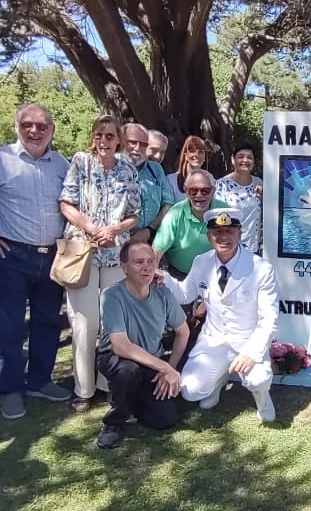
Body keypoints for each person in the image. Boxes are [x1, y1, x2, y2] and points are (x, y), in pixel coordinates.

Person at [0, 104, 72, 420]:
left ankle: (40, 380)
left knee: (48, 321)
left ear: (51, 130)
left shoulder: (61, 165)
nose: (35, 131)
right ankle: (11, 389)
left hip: (51, 256)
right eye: (27, 124)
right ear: (17, 126)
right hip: (9, 255)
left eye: (42, 126)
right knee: (9, 327)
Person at [58, 114, 142, 411]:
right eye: (99, 135)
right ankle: (83, 388)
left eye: (109, 136)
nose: (103, 141)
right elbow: (66, 203)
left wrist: (115, 229)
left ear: (118, 139)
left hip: (114, 252)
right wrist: (92, 229)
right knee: (84, 324)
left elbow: (134, 213)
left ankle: (109, 383)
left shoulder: (128, 169)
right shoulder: (81, 162)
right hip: (82, 251)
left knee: (112, 323)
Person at [164, 208, 279, 422]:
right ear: (209, 236)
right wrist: (163, 278)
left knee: (258, 380)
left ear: (240, 233)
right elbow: (184, 294)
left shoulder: (261, 269)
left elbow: (269, 319)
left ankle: (263, 399)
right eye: (217, 232)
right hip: (214, 342)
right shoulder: (202, 262)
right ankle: (218, 380)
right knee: (190, 391)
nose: (223, 237)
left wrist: (252, 353)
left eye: (229, 231)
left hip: (247, 341)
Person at [94, 241, 190, 449]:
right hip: (115, 357)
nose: (146, 267)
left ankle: (131, 399)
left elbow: (183, 331)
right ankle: (113, 423)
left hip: (150, 360)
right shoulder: (112, 296)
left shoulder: (162, 293)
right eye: (138, 262)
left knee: (165, 420)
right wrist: (164, 367)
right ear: (124, 267)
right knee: (127, 371)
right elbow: (120, 346)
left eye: (150, 261)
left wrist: (170, 367)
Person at [152, 169, 230, 277]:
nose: (199, 195)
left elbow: (236, 246)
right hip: (180, 276)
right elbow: (157, 250)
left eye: (205, 191)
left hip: (215, 277)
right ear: (186, 191)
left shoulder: (225, 211)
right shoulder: (175, 213)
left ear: (213, 191)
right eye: (193, 190)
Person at [123, 123, 174, 246]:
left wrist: (149, 230)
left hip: (150, 238)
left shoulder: (156, 170)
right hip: (120, 238)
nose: (158, 156)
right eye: (153, 150)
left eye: (162, 152)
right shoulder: (117, 168)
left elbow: (168, 203)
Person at [215, 144, 264, 253]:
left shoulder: (259, 183)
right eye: (241, 157)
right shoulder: (221, 185)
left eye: (249, 157)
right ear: (233, 159)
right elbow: (218, 217)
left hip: (253, 247)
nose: (245, 160)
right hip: (229, 247)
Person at [165, 135, 208, 203]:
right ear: (185, 156)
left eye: (200, 152)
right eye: (192, 151)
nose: (196, 155)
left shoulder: (211, 182)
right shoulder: (171, 180)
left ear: (205, 157)